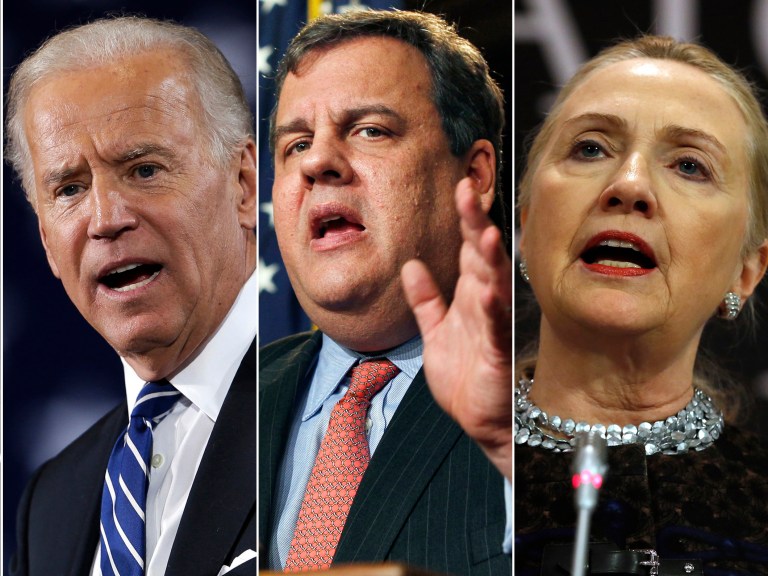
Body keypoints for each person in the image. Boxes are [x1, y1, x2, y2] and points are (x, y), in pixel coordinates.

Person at [259, 9, 513, 575]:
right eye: (296, 145)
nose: (319, 162)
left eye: (370, 130)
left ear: (473, 175)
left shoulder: (541, 399)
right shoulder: (227, 405)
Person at [5, 16, 257, 576]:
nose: (106, 220)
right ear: (46, 239)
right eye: (69, 189)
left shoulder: (332, 413)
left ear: (243, 185)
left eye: (144, 170)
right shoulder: (50, 502)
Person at [515, 35, 768, 575]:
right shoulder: (424, 469)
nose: (629, 185)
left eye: (690, 166)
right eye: (590, 148)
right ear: (526, 223)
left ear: (746, 271)